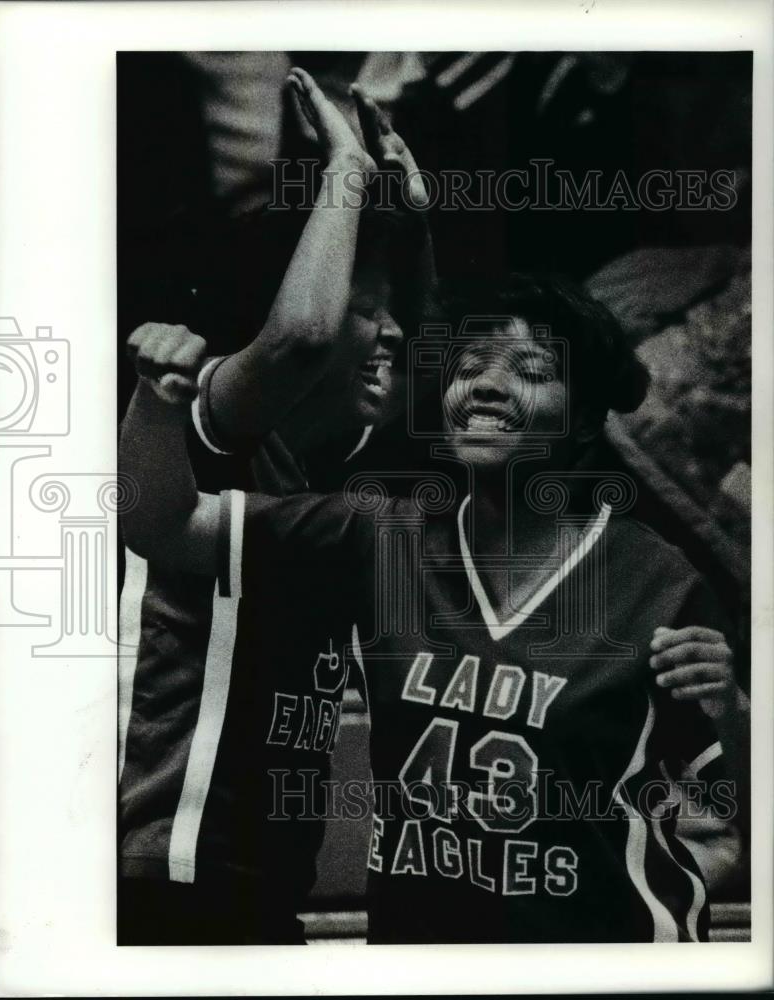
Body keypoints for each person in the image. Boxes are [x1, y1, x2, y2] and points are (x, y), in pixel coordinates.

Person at [120, 269, 749, 944]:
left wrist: (730, 710)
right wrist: (158, 403)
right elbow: (161, 525)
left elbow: (733, 811)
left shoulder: (658, 581)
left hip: (602, 965)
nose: (484, 386)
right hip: (421, 963)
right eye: (469, 367)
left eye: (530, 372)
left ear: (585, 417)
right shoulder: (378, 536)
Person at [118, 67, 434, 944]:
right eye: (365, 309)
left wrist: (410, 218)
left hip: (260, 869)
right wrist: (344, 173)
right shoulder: (218, 422)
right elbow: (299, 339)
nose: (393, 332)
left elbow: (426, 350)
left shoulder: (331, 458)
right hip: (167, 861)